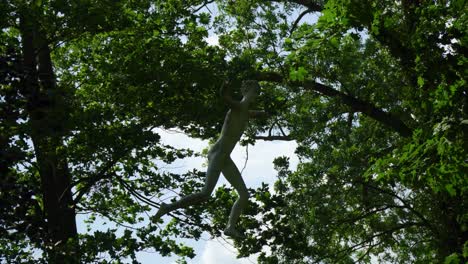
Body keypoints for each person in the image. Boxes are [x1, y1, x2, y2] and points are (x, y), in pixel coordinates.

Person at [154, 80, 262, 238]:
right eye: (254, 91)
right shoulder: (238, 107)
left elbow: (253, 113)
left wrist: (265, 113)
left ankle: (230, 227)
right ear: (246, 91)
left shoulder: (246, 112)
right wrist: (224, 88)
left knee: (244, 195)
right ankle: (167, 207)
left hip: (226, 158)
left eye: (257, 92)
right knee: (205, 193)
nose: (256, 95)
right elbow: (226, 98)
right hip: (218, 154)